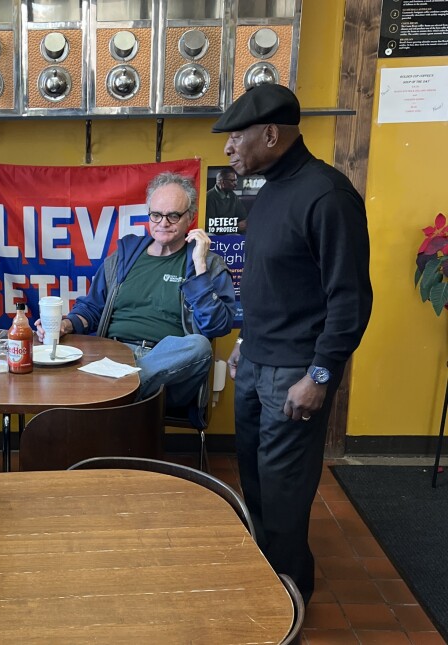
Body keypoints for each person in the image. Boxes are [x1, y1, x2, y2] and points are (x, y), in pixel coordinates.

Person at [213, 84, 372, 605]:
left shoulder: (328, 195)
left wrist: (320, 376)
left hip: (296, 374)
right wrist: (244, 343)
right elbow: (275, 283)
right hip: (256, 361)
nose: (228, 149)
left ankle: (287, 605)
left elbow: (350, 300)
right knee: (255, 483)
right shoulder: (269, 190)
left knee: (284, 494)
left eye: (236, 137)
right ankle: (271, 583)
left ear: (272, 134)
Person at [36, 171, 236, 416]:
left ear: (190, 218)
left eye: (173, 215)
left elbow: (217, 326)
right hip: (113, 355)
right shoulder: (124, 256)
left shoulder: (208, 264)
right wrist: (65, 325)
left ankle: (113, 394)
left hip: (168, 369)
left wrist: (200, 267)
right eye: (156, 215)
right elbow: (92, 307)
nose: (163, 222)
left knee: (199, 346)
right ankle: (119, 395)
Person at [205, 168, 248, 234]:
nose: (235, 184)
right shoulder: (209, 197)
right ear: (222, 182)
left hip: (231, 232)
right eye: (232, 181)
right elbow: (209, 225)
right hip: (215, 235)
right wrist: (235, 227)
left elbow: (243, 216)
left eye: (236, 181)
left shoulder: (233, 196)